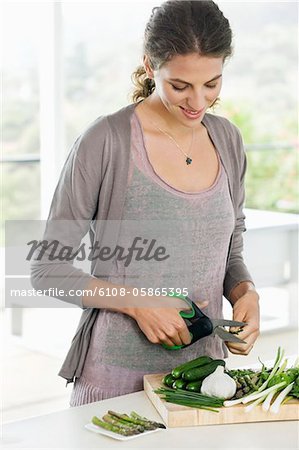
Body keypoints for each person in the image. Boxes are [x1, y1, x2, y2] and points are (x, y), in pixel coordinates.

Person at [31, 0, 260, 406]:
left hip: (205, 383)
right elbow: (46, 269)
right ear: (150, 66)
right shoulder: (105, 142)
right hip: (116, 382)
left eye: (212, 84)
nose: (198, 102)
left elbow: (230, 250)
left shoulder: (227, 139)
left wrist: (245, 292)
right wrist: (138, 303)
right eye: (180, 85)